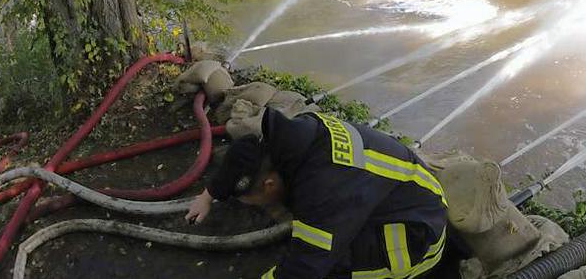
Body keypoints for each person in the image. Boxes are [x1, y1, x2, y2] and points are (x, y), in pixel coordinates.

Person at [185, 107, 451, 278]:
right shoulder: (298, 134)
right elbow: (243, 159)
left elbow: (305, 268)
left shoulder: (323, 191)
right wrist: (209, 194)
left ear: (269, 185)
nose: (256, 207)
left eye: (253, 202)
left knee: (331, 269)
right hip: (405, 197)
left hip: (415, 239)